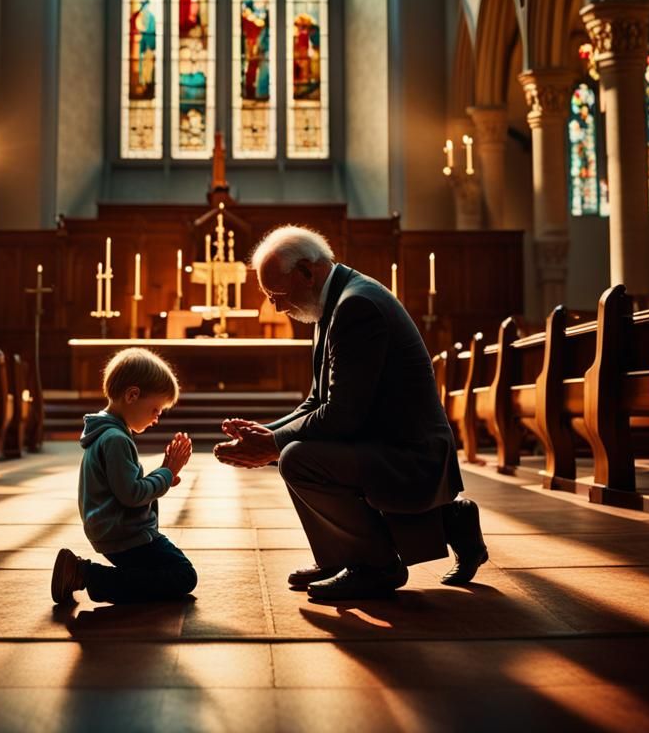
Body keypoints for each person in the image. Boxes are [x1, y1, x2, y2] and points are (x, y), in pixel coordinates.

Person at [214, 226, 488, 601]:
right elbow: (316, 402)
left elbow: (342, 417)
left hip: (412, 456)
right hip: (385, 443)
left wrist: (274, 444)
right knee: (291, 450)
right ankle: (421, 530)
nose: (275, 307)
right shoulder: (333, 303)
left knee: (297, 459)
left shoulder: (356, 306)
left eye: (277, 294)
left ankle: (375, 565)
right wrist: (266, 433)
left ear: (307, 271)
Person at [51, 347, 197, 604]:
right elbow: (132, 495)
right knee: (183, 575)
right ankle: (84, 574)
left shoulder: (107, 433)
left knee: (158, 573)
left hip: (115, 530)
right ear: (132, 395)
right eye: (155, 409)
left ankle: (81, 573)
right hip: (126, 535)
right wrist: (167, 472)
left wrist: (164, 474)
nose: (156, 419)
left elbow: (125, 486)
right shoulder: (116, 439)